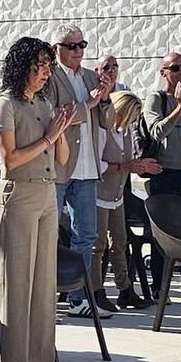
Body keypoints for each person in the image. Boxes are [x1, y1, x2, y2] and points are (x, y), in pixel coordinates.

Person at [0, 37, 73, 362]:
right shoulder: (4, 105)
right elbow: (9, 161)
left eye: (47, 66)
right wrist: (48, 138)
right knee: (16, 284)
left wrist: (60, 130)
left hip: (47, 192)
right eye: (38, 66)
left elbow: (63, 158)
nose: (44, 73)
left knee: (44, 286)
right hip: (18, 194)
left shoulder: (45, 102)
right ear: (22, 66)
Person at [49, 26, 108, 317]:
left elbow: (108, 121)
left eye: (81, 45)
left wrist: (106, 97)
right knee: (48, 234)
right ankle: (48, 295)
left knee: (86, 234)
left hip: (87, 167)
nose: (78, 51)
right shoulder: (50, 75)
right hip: (61, 167)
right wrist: (89, 103)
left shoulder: (90, 77)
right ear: (56, 48)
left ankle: (78, 296)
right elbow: (56, 114)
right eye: (71, 46)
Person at [98, 91, 160, 310]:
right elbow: (99, 165)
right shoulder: (102, 130)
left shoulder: (126, 132)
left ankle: (125, 289)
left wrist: (140, 165)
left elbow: (128, 161)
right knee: (99, 245)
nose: (135, 119)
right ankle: (97, 291)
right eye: (133, 113)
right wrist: (125, 167)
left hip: (117, 195)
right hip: (99, 194)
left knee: (120, 242)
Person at [144, 51, 181, 199]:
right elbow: (157, 133)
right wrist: (180, 106)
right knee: (167, 220)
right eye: (175, 68)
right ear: (163, 73)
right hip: (166, 171)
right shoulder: (156, 98)